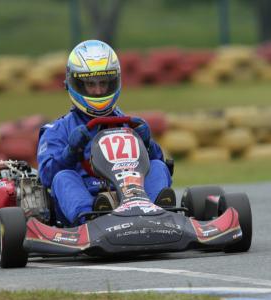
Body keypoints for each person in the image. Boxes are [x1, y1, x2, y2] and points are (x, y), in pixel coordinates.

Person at [37, 40, 173, 225]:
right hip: (87, 196)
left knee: (157, 165)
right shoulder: (57, 130)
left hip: (132, 192)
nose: (99, 90)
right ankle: (90, 220)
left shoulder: (128, 124)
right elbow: (46, 177)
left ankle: (159, 213)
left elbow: (153, 166)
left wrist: (148, 144)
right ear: (75, 84)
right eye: (90, 84)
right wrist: (70, 152)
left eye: (104, 83)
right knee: (63, 178)